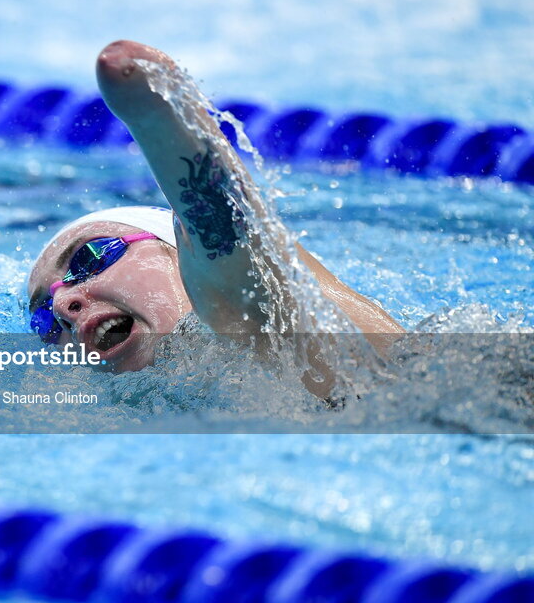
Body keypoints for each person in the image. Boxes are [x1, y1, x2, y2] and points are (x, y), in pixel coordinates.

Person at [26, 41, 405, 398]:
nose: (62, 306)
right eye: (41, 318)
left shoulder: (261, 314)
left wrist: (151, 112)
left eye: (90, 258)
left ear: (180, 249)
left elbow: (223, 231)